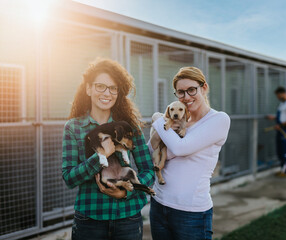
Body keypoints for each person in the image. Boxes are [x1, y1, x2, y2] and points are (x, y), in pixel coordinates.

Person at [62, 58, 155, 240]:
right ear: (88, 89)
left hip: (128, 218)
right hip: (90, 220)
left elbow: (148, 170)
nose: (107, 93)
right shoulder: (73, 128)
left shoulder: (129, 127)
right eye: (100, 86)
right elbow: (69, 178)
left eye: (113, 88)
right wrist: (101, 156)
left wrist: (127, 191)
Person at [148, 66, 231, 240]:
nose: (186, 97)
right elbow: (151, 151)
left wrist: (157, 119)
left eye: (191, 90)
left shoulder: (218, 120)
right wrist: (161, 125)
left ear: (204, 88)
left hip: (190, 213)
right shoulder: (177, 122)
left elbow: (180, 148)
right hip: (159, 204)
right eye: (180, 92)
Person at [267, 86, 286, 177]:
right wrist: (274, 117)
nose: (277, 97)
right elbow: (283, 116)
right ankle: (282, 170)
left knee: (285, 152)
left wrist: (280, 125)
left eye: (278, 95)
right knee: (280, 151)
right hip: (280, 130)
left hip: (285, 130)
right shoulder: (282, 104)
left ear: (282, 94)